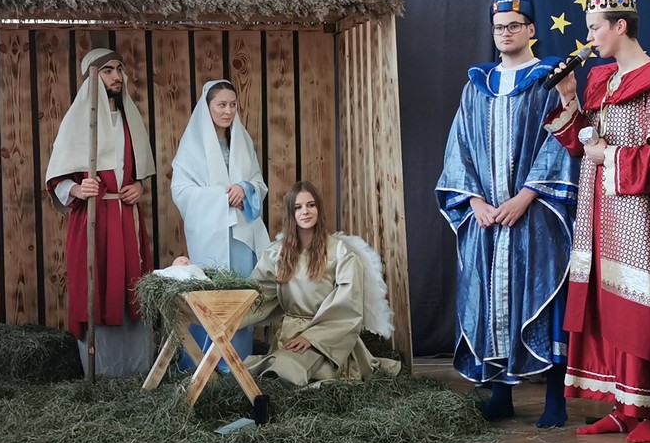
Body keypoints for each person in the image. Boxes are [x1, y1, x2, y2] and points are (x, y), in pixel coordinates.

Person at [546, 0, 650, 443]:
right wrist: (569, 97)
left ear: (620, 26)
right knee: (607, 306)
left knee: (639, 306)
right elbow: (583, 142)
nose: (589, 37)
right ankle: (623, 407)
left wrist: (607, 155)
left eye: (595, 28)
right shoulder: (602, 81)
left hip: (645, 215)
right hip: (603, 211)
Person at [437, 0, 577, 427]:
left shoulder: (549, 79)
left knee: (542, 295)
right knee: (490, 299)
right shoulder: (476, 86)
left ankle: (555, 398)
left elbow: (560, 138)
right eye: (499, 27)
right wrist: (474, 200)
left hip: (535, 212)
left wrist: (527, 195)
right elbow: (460, 146)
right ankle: (501, 393)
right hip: (487, 219)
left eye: (514, 25)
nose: (505, 33)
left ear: (531, 29)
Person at [45, 47, 156, 376]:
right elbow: (57, 179)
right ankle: (102, 371)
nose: (117, 77)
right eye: (108, 71)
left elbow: (136, 171)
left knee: (132, 288)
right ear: (91, 78)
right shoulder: (77, 122)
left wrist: (139, 187)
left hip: (126, 217)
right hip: (94, 220)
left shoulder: (129, 120)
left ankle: (137, 370)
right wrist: (78, 189)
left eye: (119, 69)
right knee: (97, 287)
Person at [243, 181, 399, 386]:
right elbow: (257, 293)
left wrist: (312, 338)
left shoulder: (341, 253)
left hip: (329, 340)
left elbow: (348, 306)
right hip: (290, 335)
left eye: (311, 205)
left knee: (289, 370)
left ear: (319, 209)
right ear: (290, 214)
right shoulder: (276, 254)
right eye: (298, 207)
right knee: (269, 369)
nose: (305, 212)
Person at [172, 80, 270, 369]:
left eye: (233, 105)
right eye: (221, 105)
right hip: (210, 235)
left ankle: (238, 362)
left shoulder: (243, 141)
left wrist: (244, 188)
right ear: (208, 107)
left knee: (240, 296)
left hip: (242, 236)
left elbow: (257, 182)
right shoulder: (192, 146)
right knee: (209, 295)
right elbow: (181, 191)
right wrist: (221, 198)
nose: (228, 111)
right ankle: (203, 363)